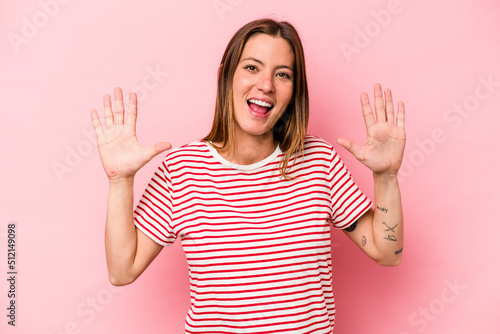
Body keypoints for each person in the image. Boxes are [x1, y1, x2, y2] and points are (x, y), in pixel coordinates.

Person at [90, 18, 405, 334]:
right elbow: (122, 270)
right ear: (227, 75)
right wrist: (120, 182)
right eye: (252, 67)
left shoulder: (319, 162)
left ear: (294, 91)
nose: (266, 84)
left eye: (282, 74)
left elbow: (387, 252)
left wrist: (387, 176)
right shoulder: (182, 169)